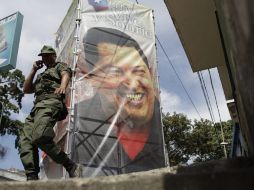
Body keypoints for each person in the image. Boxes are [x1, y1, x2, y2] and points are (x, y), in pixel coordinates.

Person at [73, 27, 165, 175]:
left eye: (139, 71)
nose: (134, 85)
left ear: (150, 73)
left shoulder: (160, 128)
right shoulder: (76, 123)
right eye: (116, 72)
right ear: (93, 79)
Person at [18, 45, 82, 180]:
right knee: (25, 141)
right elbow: (26, 89)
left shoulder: (59, 66)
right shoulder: (41, 75)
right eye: (43, 56)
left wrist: (63, 86)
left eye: (47, 55)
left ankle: (70, 165)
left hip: (50, 103)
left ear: (53, 55)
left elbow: (66, 74)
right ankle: (32, 177)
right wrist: (34, 70)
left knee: (40, 136)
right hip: (36, 109)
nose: (45, 58)